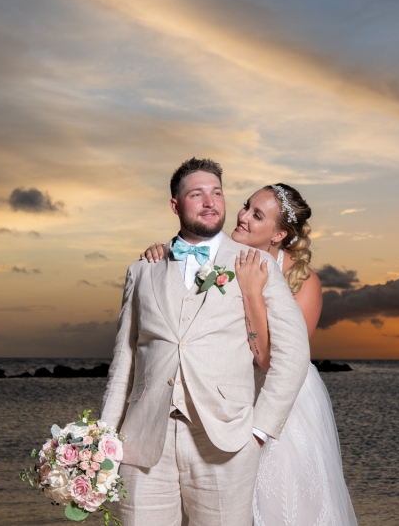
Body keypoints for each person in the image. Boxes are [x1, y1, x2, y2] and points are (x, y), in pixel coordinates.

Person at [101, 158, 309, 526]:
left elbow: (292, 356)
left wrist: (257, 434)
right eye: (197, 194)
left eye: (217, 193)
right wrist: (103, 440)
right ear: (175, 205)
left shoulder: (256, 265)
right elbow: (124, 363)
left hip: (226, 444)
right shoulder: (142, 270)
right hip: (143, 443)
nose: (210, 202)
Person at [142, 183, 358, 525]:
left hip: (284, 403)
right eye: (245, 206)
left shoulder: (304, 281)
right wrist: (163, 253)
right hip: (226, 396)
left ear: (279, 234)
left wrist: (252, 293)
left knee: (279, 503)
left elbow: (273, 361)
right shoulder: (218, 257)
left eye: (257, 215)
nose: (241, 216)